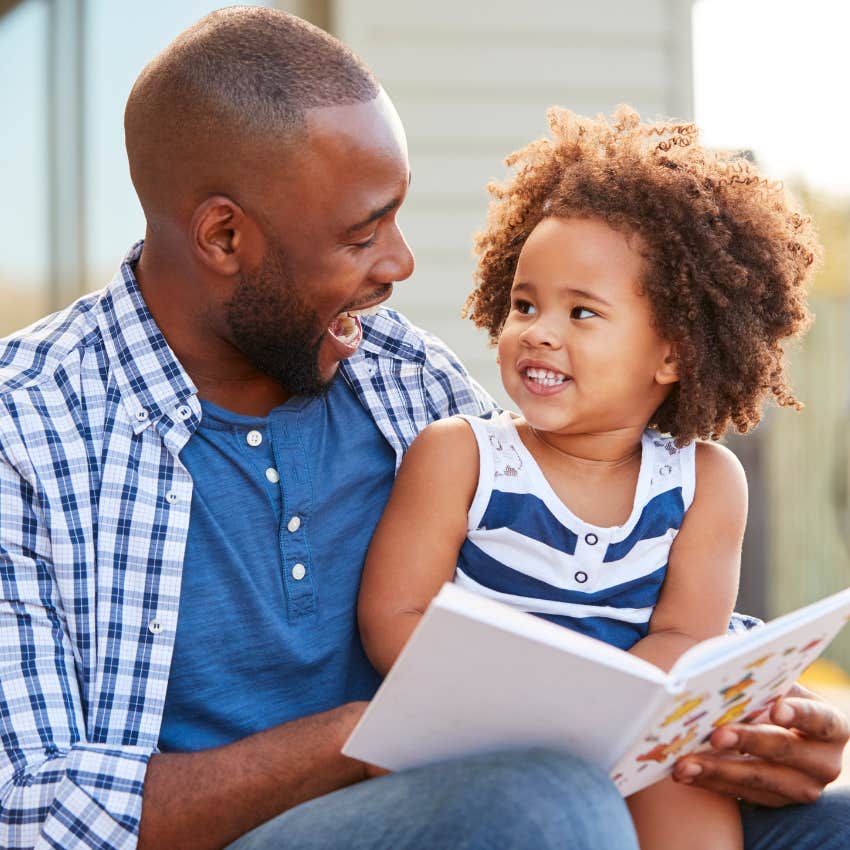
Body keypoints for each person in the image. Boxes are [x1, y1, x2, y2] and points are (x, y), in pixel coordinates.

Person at [0, 8, 846, 850]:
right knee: (544, 805)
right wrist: (364, 740)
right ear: (225, 236)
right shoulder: (28, 430)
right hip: (281, 827)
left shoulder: (400, 374)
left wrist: (744, 715)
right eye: (363, 233)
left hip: (475, 797)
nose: (401, 262)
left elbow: (562, 562)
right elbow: (29, 810)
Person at [356, 105, 827, 850]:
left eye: (582, 313)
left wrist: (603, 715)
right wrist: (531, 703)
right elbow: (394, 620)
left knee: (687, 789)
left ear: (671, 355)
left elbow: (683, 635)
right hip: (473, 734)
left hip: (628, 732)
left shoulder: (705, 483)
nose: (539, 330)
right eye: (524, 304)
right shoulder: (461, 456)